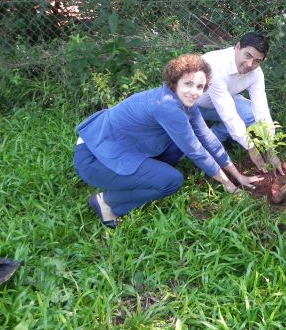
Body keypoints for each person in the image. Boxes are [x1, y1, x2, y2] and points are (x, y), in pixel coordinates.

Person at [74, 54, 260, 228]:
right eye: (188, 84)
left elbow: (207, 139)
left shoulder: (185, 103)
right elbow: (196, 150)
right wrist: (229, 185)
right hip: (93, 157)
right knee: (171, 181)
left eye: (200, 87)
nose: (194, 92)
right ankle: (107, 202)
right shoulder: (167, 106)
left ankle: (145, 175)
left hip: (115, 145)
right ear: (175, 82)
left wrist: (238, 176)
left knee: (177, 147)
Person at [197, 32, 285, 175]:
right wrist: (251, 147)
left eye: (257, 61)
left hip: (223, 101)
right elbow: (228, 113)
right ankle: (205, 143)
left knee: (250, 115)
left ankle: (214, 138)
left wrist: (270, 150)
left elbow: (261, 108)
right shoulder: (215, 66)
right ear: (237, 47)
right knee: (180, 148)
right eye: (248, 55)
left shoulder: (256, 74)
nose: (250, 64)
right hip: (193, 106)